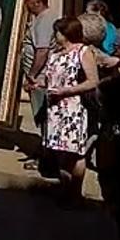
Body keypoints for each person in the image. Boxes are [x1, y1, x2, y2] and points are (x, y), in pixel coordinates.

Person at [43, 17, 99, 200]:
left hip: (73, 108)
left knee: (74, 150)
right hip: (55, 108)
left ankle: (75, 192)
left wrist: (68, 90)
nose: (55, 35)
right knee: (59, 149)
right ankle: (64, 187)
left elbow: (92, 81)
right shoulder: (56, 53)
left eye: (58, 32)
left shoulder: (83, 52)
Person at [22, 0, 54, 147]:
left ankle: (47, 152)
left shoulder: (45, 21)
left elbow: (42, 51)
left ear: (37, 2)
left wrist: (31, 76)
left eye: (27, 1)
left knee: (43, 116)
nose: (25, 4)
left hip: (40, 78)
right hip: (38, 77)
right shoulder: (39, 19)